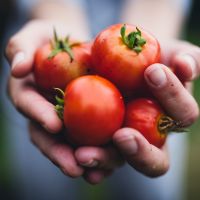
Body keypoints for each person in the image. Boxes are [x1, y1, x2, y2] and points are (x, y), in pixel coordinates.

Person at [2, 0, 200, 199]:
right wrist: (53, 15)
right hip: (44, 40)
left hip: (141, 35)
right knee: (44, 189)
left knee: (148, 192)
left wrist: (156, 25)